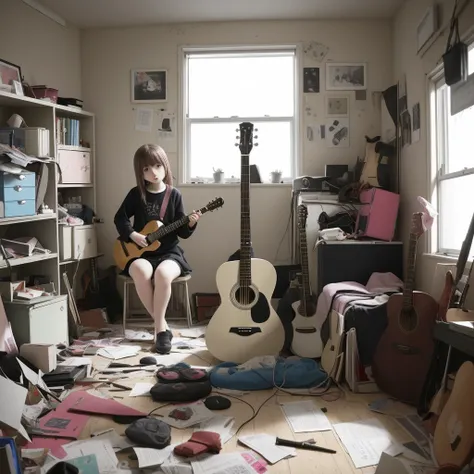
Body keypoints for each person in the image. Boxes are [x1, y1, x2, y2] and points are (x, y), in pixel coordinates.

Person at [114, 144, 200, 354]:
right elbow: (120, 218)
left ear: (165, 166)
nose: (153, 172)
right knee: (141, 271)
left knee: (162, 274)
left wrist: (190, 223)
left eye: (157, 166)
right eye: (146, 169)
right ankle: (163, 328)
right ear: (140, 172)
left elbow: (182, 233)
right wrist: (134, 235)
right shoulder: (136, 194)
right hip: (141, 252)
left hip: (169, 253)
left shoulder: (174, 195)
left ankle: (159, 328)